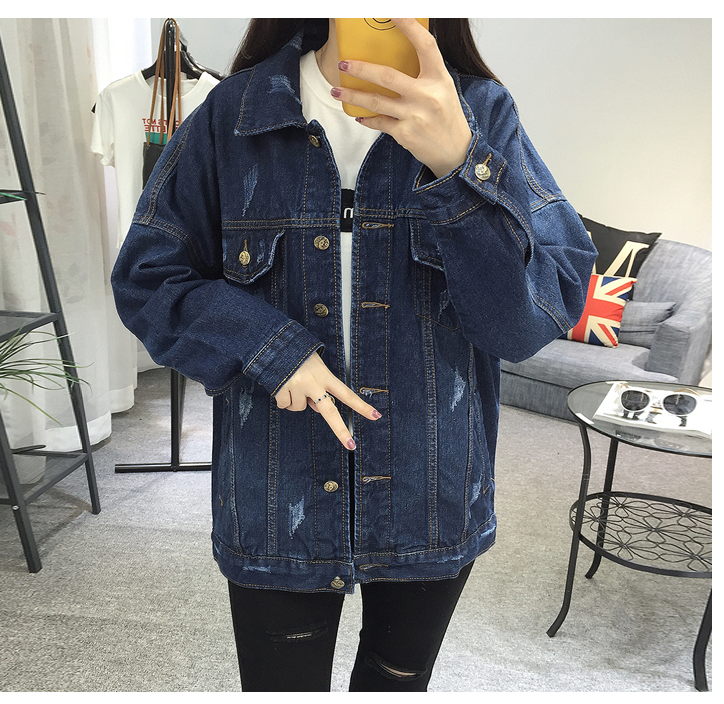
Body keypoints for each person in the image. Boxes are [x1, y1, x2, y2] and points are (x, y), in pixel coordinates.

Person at [111, 18, 597, 692]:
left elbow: (528, 321)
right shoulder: (234, 113)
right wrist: (270, 348)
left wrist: (458, 165)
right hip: (275, 496)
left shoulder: (481, 114)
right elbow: (149, 277)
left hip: (430, 492)